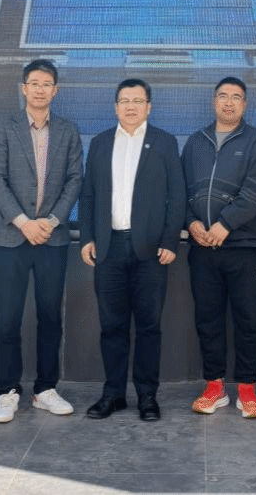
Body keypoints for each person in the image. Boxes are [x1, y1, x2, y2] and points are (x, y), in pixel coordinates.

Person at [79, 78, 184, 422]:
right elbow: (88, 194)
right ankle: (113, 394)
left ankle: (147, 396)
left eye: (138, 101)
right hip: (108, 247)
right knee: (112, 326)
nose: (130, 107)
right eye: (124, 101)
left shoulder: (164, 142)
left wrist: (170, 241)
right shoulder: (100, 143)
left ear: (148, 107)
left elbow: (177, 196)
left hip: (151, 250)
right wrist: (87, 237)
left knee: (149, 326)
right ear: (115, 107)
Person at [0, 59, 83, 423]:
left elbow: (75, 179)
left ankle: (45, 389)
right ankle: (7, 391)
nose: (40, 89)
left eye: (47, 84)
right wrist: (24, 222)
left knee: (50, 317)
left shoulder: (68, 130)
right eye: (34, 83)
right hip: (12, 237)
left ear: (55, 91)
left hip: (52, 239)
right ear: (24, 88)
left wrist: (51, 222)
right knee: (8, 319)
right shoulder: (4, 126)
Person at [183, 76, 256, 419]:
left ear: (245, 104)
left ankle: (247, 390)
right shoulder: (196, 142)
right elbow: (180, 190)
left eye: (236, 97)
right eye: (223, 96)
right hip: (202, 248)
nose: (229, 102)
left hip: (244, 247)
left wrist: (226, 224)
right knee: (208, 319)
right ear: (214, 101)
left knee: (248, 319)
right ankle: (215, 387)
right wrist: (191, 223)